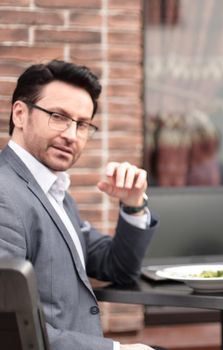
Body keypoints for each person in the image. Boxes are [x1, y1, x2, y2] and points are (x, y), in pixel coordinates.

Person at [0, 60, 159, 350]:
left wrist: (133, 205)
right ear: (20, 114)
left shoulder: (52, 190)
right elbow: (6, 326)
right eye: (58, 116)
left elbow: (117, 268)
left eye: (82, 124)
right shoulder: (5, 195)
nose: (72, 135)